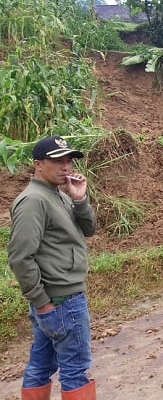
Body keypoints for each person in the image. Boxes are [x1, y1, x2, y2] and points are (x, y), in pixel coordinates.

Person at [8, 136, 97, 400]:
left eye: (69, 161)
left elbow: (88, 229)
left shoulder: (57, 195)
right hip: (61, 301)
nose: (66, 167)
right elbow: (20, 257)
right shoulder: (34, 200)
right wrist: (42, 303)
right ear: (38, 164)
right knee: (75, 370)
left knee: (41, 365)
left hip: (58, 299)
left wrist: (80, 200)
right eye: (58, 161)